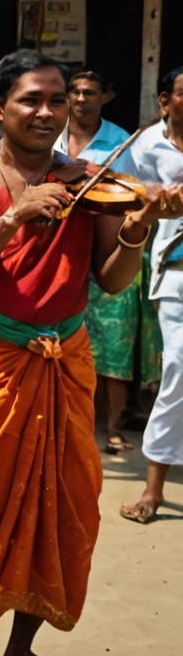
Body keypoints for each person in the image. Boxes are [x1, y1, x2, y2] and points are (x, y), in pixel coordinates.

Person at [0, 49, 169, 656]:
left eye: (58, 100)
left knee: (61, 507)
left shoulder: (91, 179)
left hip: (67, 355)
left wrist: (136, 232)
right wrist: (13, 216)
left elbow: (110, 282)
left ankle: (20, 652)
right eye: (31, 99)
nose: (48, 112)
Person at [57, 70, 148, 452]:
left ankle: (111, 426)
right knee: (66, 343)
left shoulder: (121, 142)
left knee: (112, 346)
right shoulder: (51, 134)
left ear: (104, 98)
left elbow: (136, 196)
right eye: (74, 92)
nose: (81, 99)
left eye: (89, 92)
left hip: (108, 250)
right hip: (63, 251)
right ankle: (72, 423)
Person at [123, 64, 183, 524]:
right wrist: (152, 196)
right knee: (177, 373)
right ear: (165, 100)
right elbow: (122, 194)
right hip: (176, 271)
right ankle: (154, 488)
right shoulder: (145, 144)